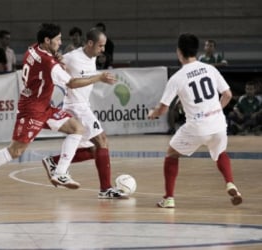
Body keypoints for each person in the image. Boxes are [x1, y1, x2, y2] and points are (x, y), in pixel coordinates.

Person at [0, 23, 115, 200]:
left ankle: (60, 172)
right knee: (15, 151)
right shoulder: (48, 63)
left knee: (77, 128)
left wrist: (55, 57)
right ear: (47, 40)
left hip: (45, 107)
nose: (60, 43)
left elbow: (47, 61)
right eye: (57, 40)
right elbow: (71, 83)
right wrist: (99, 77)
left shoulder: (33, 49)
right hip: (32, 110)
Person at [148, 33, 242, 208]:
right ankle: (230, 182)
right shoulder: (210, 69)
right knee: (220, 152)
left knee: (171, 154)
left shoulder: (177, 77)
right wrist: (215, 111)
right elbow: (228, 94)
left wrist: (153, 113)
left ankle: (169, 198)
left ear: (179, 52)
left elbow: (163, 108)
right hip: (218, 124)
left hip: (197, 127)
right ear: (196, 51)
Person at [42, 28, 125, 199]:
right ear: (90, 43)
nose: (103, 49)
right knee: (102, 140)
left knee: (95, 150)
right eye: (100, 46)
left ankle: (55, 161)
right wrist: (57, 59)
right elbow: (54, 64)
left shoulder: (93, 56)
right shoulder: (72, 57)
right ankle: (106, 189)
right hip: (75, 106)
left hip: (83, 105)